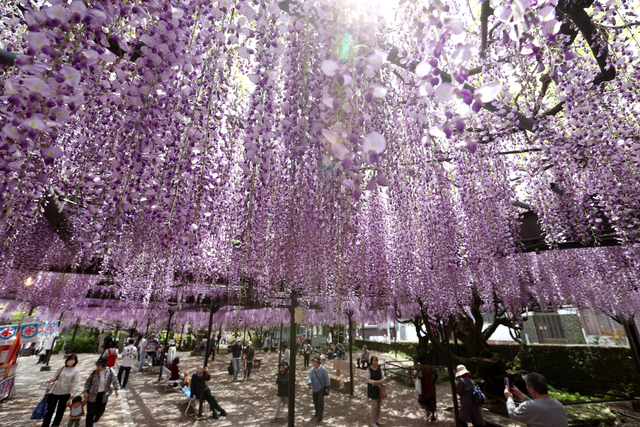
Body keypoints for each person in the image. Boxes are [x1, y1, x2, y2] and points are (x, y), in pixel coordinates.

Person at [42, 353, 81, 427]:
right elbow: (55, 376)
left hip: (66, 393)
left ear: (75, 361)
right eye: (69, 359)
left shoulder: (76, 370)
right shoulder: (62, 368)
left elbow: (77, 382)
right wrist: (51, 380)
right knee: (50, 410)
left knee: (60, 412)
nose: (70, 361)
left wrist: (74, 391)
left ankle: (55, 425)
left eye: (73, 360)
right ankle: (45, 425)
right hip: (54, 392)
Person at [83, 357, 120, 427]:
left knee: (100, 411)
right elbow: (87, 383)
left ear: (104, 365)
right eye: (97, 364)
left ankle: (95, 420)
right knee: (90, 413)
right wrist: (86, 392)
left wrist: (117, 389)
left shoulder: (110, 370)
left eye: (99, 365)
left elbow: (115, 380)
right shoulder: (94, 372)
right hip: (92, 394)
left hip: (104, 394)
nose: (97, 366)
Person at [307, 356, 330, 423]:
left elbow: (326, 379)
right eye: (313, 362)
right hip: (315, 388)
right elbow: (310, 377)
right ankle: (317, 412)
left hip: (321, 388)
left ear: (318, 363)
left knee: (320, 402)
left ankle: (320, 417)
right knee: (315, 401)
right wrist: (309, 383)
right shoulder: (312, 370)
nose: (313, 363)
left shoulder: (323, 370)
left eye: (315, 362)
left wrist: (327, 387)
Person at [416, 355, 438, 423]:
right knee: (432, 401)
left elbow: (420, 376)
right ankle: (433, 417)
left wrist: (415, 375)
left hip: (424, 388)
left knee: (421, 400)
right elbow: (436, 374)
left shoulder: (421, 368)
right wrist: (433, 380)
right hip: (431, 387)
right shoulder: (429, 367)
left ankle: (428, 413)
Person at [366, 355, 386, 427]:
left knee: (379, 406)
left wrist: (380, 381)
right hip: (372, 389)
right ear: (371, 362)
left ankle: (377, 419)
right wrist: (374, 382)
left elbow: (383, 377)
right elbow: (368, 379)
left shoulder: (380, 368)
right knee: (374, 406)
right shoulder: (369, 369)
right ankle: (373, 422)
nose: (375, 362)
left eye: (376, 361)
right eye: (374, 361)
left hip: (379, 390)